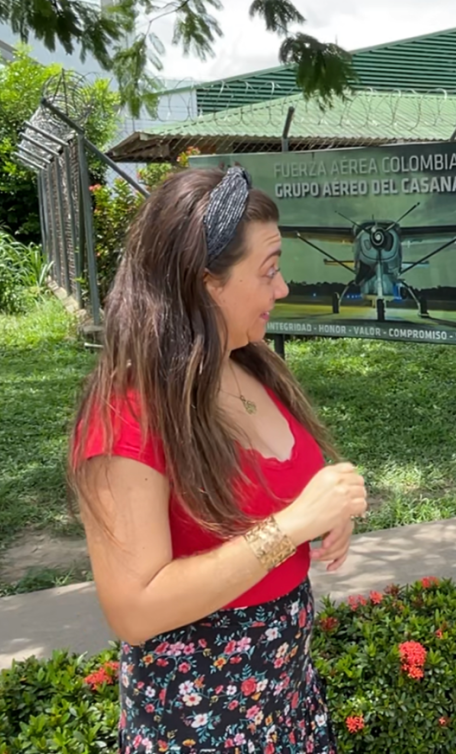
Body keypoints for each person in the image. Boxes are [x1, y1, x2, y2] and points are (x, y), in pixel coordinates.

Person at [67, 165, 367, 753]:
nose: (282, 289)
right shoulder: (128, 414)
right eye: (269, 270)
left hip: (289, 704)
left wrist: (329, 510)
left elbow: (284, 489)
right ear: (207, 285)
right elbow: (134, 608)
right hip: (200, 722)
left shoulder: (249, 363)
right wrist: (292, 526)